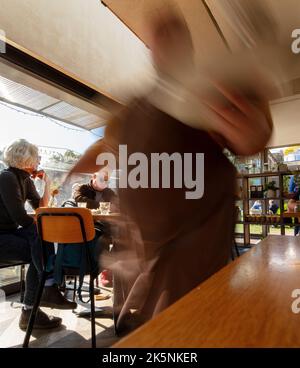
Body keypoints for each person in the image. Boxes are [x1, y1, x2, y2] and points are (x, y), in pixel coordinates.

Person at [68, 8, 273, 334]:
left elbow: (255, 136)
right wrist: (74, 170)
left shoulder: (208, 88)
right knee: (154, 332)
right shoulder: (135, 106)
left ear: (187, 44)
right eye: (159, 35)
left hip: (195, 246)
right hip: (140, 248)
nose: (165, 41)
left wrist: (250, 131)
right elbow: (107, 146)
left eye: (174, 32)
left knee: (191, 328)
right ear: (150, 49)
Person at [0, 139, 76, 331]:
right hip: (1, 238)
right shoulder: (6, 177)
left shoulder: (25, 179)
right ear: (25, 160)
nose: (38, 162)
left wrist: (47, 183)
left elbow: (40, 209)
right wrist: (37, 228)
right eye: (36, 158)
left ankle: (37, 302)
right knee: (39, 242)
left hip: (11, 234)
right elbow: (20, 217)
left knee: (40, 241)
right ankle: (46, 288)